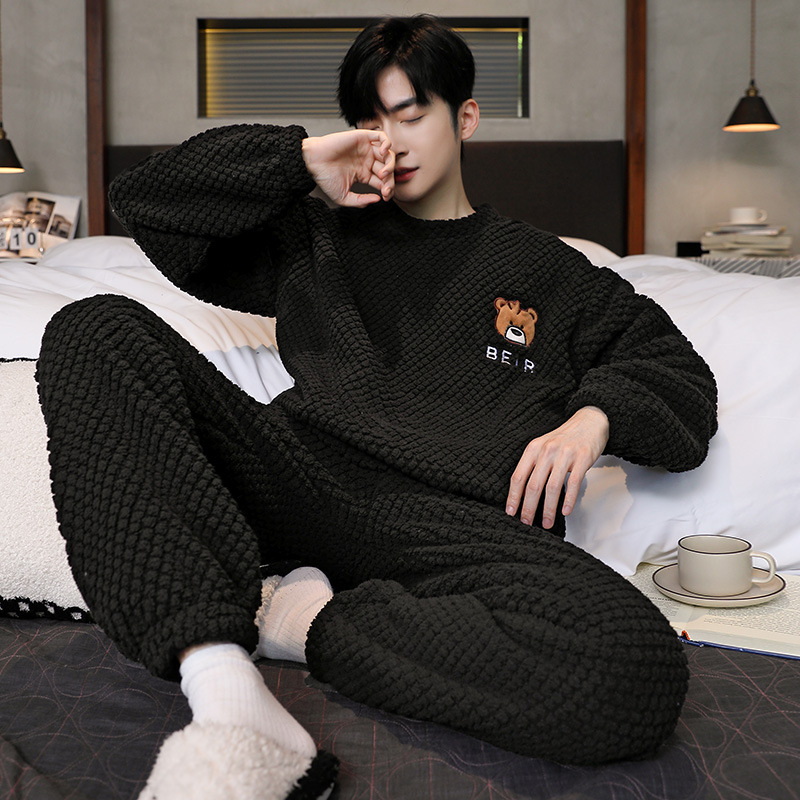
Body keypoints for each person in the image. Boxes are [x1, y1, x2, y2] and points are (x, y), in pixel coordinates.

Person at [36, 14, 717, 800]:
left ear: (465, 117)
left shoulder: (554, 272)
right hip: (297, 478)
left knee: (636, 670)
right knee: (93, 328)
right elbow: (148, 201)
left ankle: (300, 621)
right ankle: (221, 683)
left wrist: (593, 418)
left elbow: (679, 379)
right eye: (371, 121)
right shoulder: (318, 232)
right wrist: (298, 162)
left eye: (410, 114)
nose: (389, 140)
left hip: (454, 527)